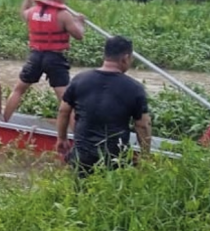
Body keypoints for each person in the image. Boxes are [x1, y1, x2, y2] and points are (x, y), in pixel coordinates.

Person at [55, 36, 151, 177]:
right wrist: (145, 155)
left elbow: (63, 111)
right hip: (114, 158)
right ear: (125, 58)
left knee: (78, 193)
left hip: (82, 155)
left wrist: (61, 138)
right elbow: (142, 125)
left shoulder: (80, 79)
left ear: (105, 55)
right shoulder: (135, 88)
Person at [3, 0, 85, 122]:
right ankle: (77, 136)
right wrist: (80, 22)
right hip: (55, 58)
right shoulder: (63, 14)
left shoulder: (33, 12)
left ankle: (3, 122)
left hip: (35, 56)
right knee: (66, 100)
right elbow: (79, 36)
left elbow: (23, 12)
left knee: (18, 90)